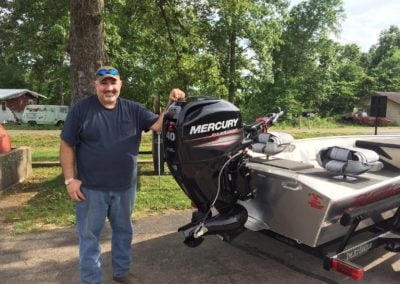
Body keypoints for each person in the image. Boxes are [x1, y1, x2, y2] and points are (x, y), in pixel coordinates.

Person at [60, 66, 185, 284]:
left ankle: (121, 271)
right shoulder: (81, 110)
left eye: (112, 83)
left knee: (123, 233)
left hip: (125, 188)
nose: (109, 88)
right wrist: (70, 180)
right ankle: (90, 280)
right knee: (89, 238)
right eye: (104, 83)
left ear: (120, 85)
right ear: (96, 85)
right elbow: (66, 144)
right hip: (91, 189)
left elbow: (158, 125)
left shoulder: (133, 109)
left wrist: (172, 102)